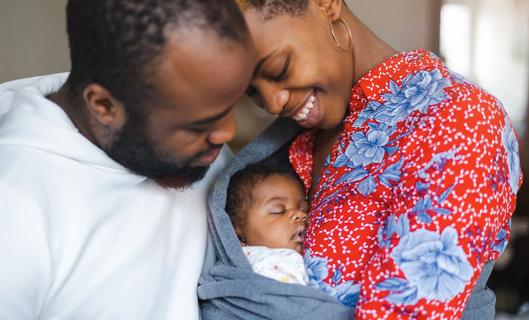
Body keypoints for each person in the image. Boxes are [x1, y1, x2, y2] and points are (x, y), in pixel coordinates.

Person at [233, 0, 523, 319]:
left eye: (278, 69)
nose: (273, 104)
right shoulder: (307, 135)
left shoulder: (462, 120)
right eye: (253, 92)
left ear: (324, 4)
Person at [0, 0, 256, 319]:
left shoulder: (188, 117)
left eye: (233, 105)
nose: (227, 133)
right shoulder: (14, 207)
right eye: (199, 124)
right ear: (104, 106)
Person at [225, 165, 310, 285]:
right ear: (238, 233)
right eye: (278, 211)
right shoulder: (270, 263)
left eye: (304, 208)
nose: (300, 214)